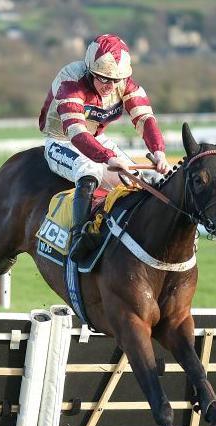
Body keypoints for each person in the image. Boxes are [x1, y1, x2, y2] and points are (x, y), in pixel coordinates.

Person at [39, 34, 172, 261]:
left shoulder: (125, 84)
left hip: (97, 138)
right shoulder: (71, 82)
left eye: (116, 80)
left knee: (133, 179)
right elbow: (77, 133)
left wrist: (158, 151)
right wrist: (107, 157)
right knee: (88, 170)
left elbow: (145, 119)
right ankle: (79, 234)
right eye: (103, 79)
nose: (110, 86)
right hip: (62, 139)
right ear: (91, 71)